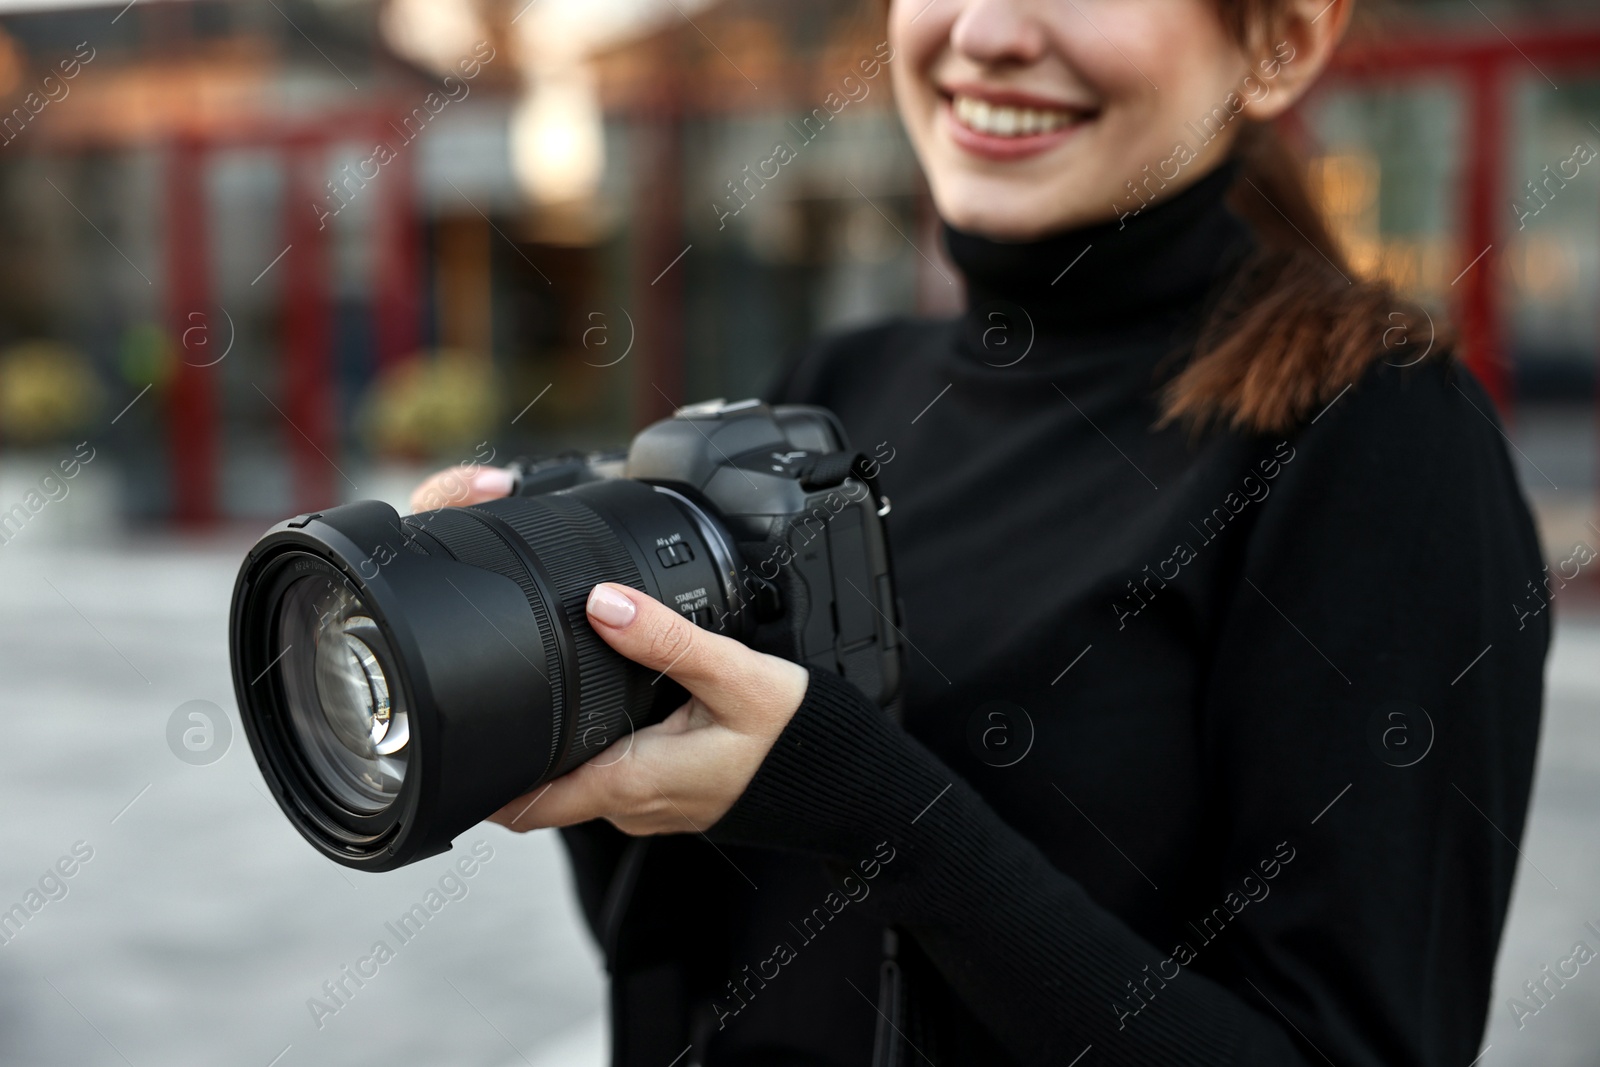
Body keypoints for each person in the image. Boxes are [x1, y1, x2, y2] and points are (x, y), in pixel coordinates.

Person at [412, 0, 1549, 1062]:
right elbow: (711, 960)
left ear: (1283, 42)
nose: (988, 30)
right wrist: (574, 693)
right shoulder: (840, 388)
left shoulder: (1370, 436)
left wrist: (874, 808)